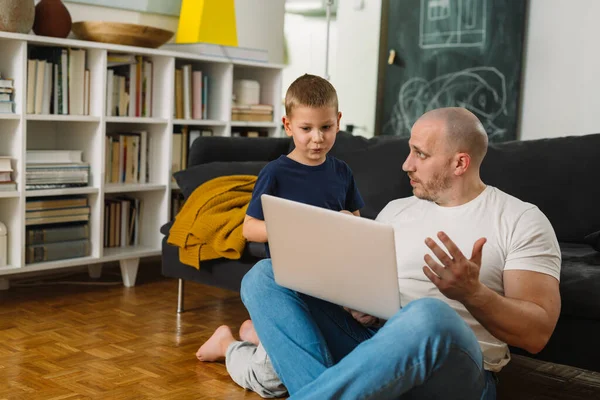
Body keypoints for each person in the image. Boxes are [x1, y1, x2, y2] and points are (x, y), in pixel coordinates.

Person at [240, 107, 562, 399]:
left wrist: (472, 294)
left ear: (459, 163)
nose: (406, 164)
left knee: (428, 314)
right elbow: (363, 290)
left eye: (419, 154)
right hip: (373, 349)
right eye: (410, 150)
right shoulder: (396, 211)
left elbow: (537, 334)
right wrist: (358, 304)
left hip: (457, 373)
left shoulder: (520, 219)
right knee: (265, 275)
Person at [195, 73, 365, 398]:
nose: (317, 138)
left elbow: (356, 222)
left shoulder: (341, 172)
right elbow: (249, 228)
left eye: (326, 127)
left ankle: (257, 333)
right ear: (288, 126)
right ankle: (228, 345)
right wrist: (297, 226)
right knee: (274, 383)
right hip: (288, 286)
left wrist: (349, 221)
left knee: (331, 354)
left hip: (332, 287)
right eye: (306, 129)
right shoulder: (276, 172)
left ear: (338, 122)